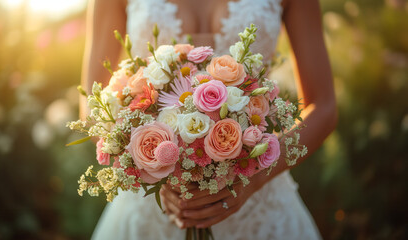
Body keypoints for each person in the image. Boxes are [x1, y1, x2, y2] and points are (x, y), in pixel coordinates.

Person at [81, 0, 337, 239]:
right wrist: (155, 173)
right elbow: (92, 106)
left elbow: (323, 106)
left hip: (258, 203)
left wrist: (254, 177)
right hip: (150, 209)